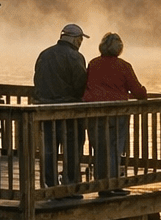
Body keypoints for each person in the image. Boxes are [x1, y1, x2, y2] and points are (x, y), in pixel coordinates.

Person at [82, 32, 148, 196]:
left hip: (94, 112)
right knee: (114, 149)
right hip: (116, 113)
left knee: (99, 149)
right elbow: (138, 91)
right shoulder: (124, 66)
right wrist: (141, 93)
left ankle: (102, 184)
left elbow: (87, 85)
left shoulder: (93, 64)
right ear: (119, 49)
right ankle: (111, 185)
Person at [33, 23, 88, 197]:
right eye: (80, 39)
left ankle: (50, 185)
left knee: (49, 149)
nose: (80, 43)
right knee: (72, 149)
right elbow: (80, 85)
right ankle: (70, 185)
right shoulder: (75, 57)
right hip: (70, 111)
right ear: (75, 39)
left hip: (45, 109)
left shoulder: (44, 54)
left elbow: (37, 80)